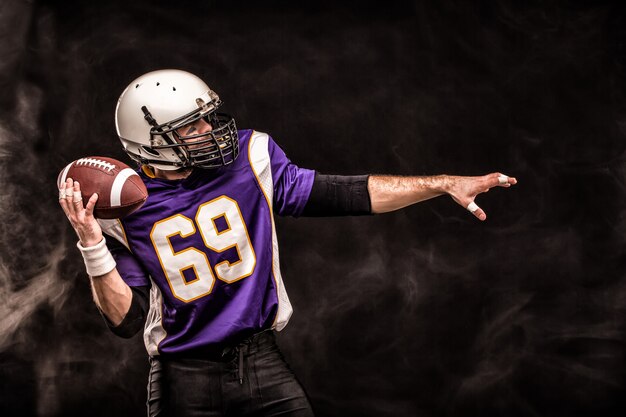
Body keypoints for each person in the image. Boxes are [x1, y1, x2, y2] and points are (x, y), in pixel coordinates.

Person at [58, 69, 517, 417]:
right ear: (149, 143)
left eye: (207, 120)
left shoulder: (249, 157)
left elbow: (341, 193)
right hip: (184, 378)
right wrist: (91, 242)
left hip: (260, 361)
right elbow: (125, 320)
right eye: (191, 128)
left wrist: (440, 183)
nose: (209, 132)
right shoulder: (123, 209)